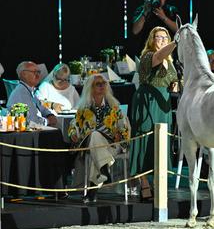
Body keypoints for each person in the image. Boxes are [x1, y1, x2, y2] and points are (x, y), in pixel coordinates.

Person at [129, 26, 178, 199]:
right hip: (147, 102)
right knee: (145, 140)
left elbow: (172, 80)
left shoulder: (171, 62)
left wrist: (175, 85)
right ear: (152, 39)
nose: (162, 40)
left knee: (161, 142)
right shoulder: (148, 56)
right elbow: (158, 57)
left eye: (165, 37)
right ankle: (144, 184)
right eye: (158, 37)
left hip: (163, 102)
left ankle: (160, 183)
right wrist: (175, 41)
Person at [68, 74, 130, 203]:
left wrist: (121, 134)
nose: (102, 86)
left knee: (96, 144)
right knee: (95, 136)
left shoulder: (113, 106)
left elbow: (124, 126)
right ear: (90, 88)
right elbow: (74, 124)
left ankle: (94, 188)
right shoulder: (83, 109)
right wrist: (73, 133)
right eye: (98, 84)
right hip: (92, 145)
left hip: (112, 145)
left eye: (104, 83)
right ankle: (103, 172)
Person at [7, 61, 57, 126]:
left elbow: (41, 108)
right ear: (23, 74)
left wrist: (50, 115)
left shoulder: (29, 90)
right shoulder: (21, 93)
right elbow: (32, 122)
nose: (38, 75)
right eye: (34, 72)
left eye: (38, 72)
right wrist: (48, 121)